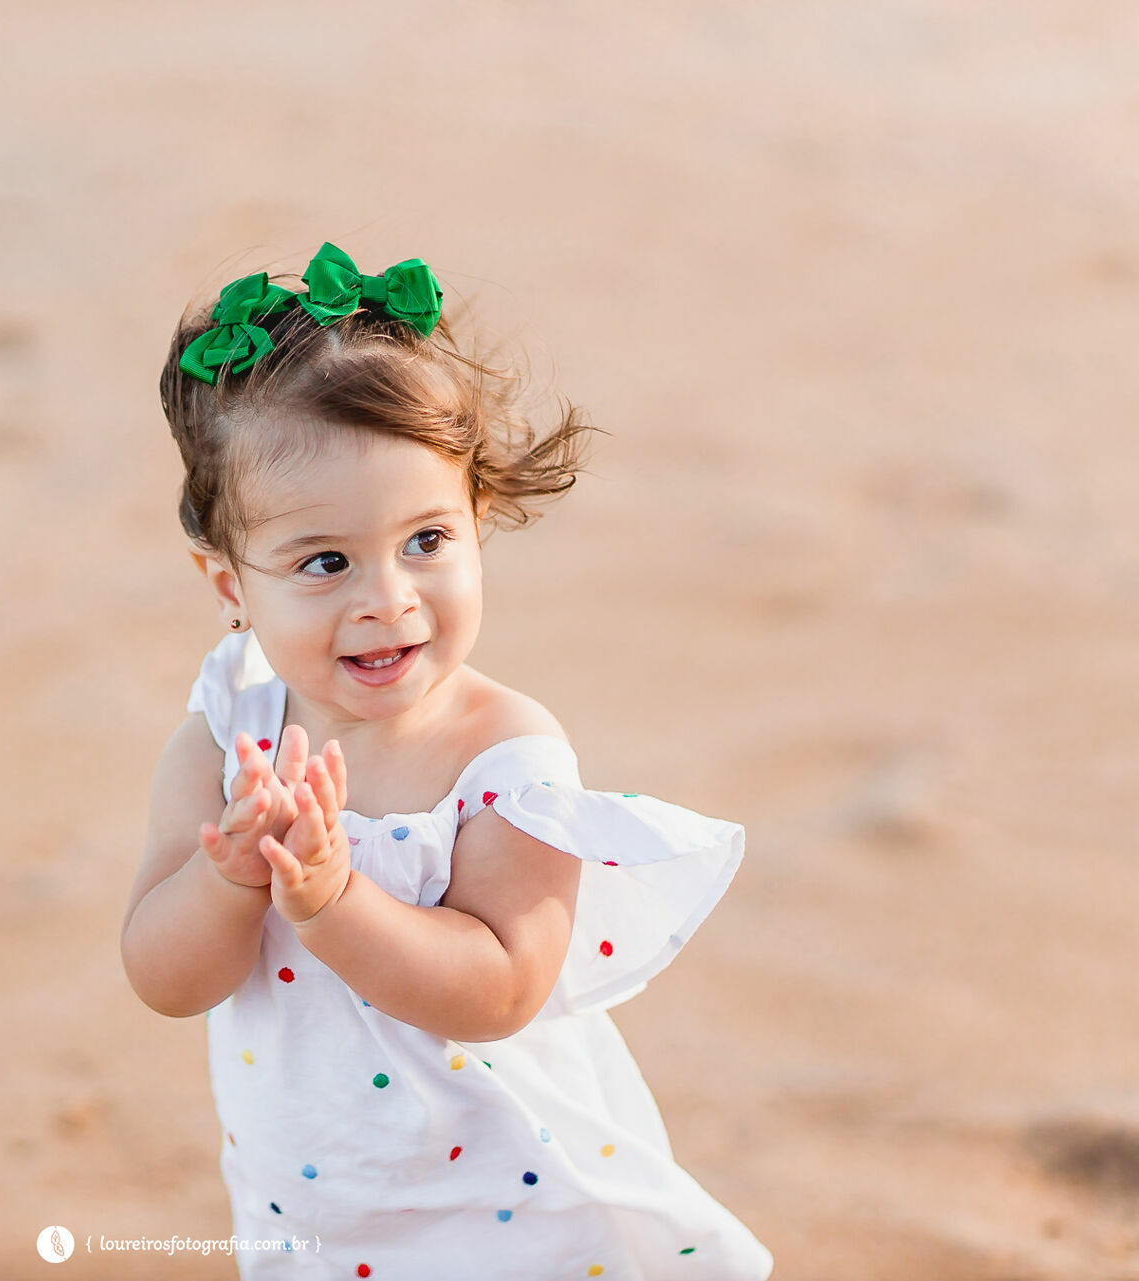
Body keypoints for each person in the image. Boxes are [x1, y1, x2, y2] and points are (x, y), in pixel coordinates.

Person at [119, 243, 774, 1279]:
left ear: (478, 521)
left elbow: (503, 986)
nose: (387, 598)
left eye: (426, 540)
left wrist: (333, 900)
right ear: (228, 583)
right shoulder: (228, 727)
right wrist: (227, 878)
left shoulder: (503, 755)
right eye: (324, 562)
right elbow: (164, 976)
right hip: (318, 1200)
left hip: (506, 1202)